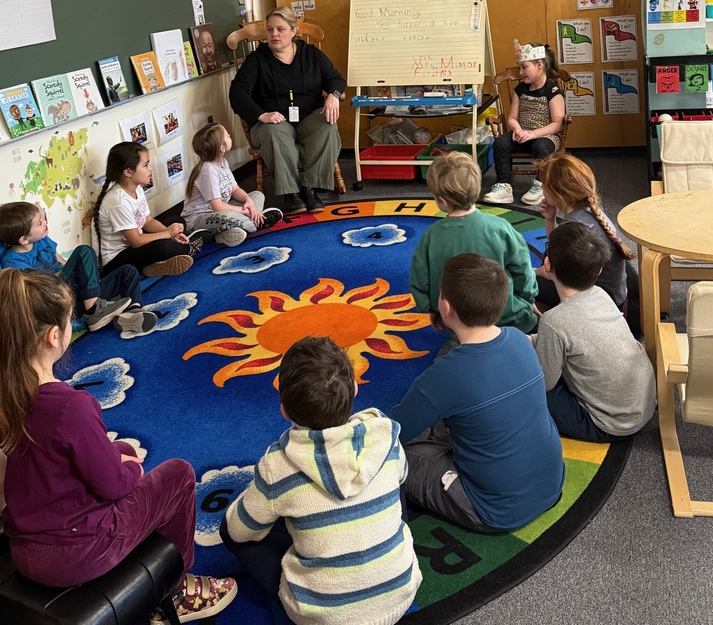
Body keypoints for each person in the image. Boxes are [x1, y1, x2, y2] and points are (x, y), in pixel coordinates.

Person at [0, 268, 237, 621]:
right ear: (54, 336)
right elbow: (114, 486)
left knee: (117, 453)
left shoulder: (8, 397)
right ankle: (177, 589)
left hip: (24, 550)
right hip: (80, 553)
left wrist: (113, 453)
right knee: (178, 474)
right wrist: (128, 463)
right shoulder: (70, 406)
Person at [220, 336, 421, 625]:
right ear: (354, 389)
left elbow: (239, 532)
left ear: (284, 411)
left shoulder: (278, 465)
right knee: (392, 483)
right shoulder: (385, 435)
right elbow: (400, 477)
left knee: (231, 528)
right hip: (401, 595)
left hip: (324, 617)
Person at [391, 253, 564, 533]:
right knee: (454, 416)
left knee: (392, 455)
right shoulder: (521, 340)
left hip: (492, 509)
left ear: (445, 308)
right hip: (551, 483)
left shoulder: (446, 373)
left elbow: (392, 432)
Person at [531, 221, 656, 442]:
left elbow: (544, 383)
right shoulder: (600, 293)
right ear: (598, 269)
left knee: (528, 384)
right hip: (643, 404)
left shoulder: (553, 321)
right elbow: (581, 336)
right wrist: (534, 340)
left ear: (547, 265)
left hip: (607, 424)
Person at [229, 7, 346, 215]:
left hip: (308, 118)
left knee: (328, 125)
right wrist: (260, 115)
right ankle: (291, 193)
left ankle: (309, 187)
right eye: (270, 29)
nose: (274, 34)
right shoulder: (258, 59)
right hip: (274, 122)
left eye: (280, 29)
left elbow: (335, 78)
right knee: (274, 133)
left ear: (293, 31)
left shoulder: (310, 54)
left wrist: (333, 96)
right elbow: (237, 93)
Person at [411, 151, 538, 334]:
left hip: (459, 320)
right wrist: (529, 298)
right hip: (507, 315)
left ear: (441, 201)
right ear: (477, 188)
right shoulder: (501, 227)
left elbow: (420, 278)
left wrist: (431, 308)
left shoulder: (431, 235)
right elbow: (522, 269)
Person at [0, 201, 156, 335]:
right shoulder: (13, 261)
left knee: (128, 271)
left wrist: (83, 276)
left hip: (81, 293)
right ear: (24, 239)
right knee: (84, 251)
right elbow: (37, 292)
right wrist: (72, 272)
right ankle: (93, 311)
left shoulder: (41, 240)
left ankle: (133, 312)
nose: (45, 222)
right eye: (40, 223)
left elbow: (62, 262)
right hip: (59, 299)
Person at [534, 152, 633, 310]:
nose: (543, 192)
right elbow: (558, 245)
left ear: (557, 192)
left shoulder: (573, 226)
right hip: (616, 297)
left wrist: (534, 273)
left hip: (598, 304)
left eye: (544, 187)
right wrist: (550, 219)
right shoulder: (591, 211)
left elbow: (553, 272)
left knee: (526, 284)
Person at [94, 142, 200, 278]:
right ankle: (185, 248)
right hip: (115, 261)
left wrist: (172, 234)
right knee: (165, 246)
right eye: (145, 165)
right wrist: (167, 234)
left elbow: (147, 221)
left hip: (134, 246)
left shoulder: (136, 188)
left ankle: (155, 264)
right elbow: (136, 241)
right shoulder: (118, 201)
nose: (150, 169)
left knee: (178, 222)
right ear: (128, 172)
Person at [482, 39, 565, 207]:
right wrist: (518, 129)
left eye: (524, 67)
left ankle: (540, 185)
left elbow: (557, 123)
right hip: (521, 135)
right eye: (519, 67)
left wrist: (533, 134)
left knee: (541, 147)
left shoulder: (552, 90)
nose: (520, 72)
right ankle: (504, 186)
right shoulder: (520, 90)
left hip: (546, 136)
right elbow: (511, 118)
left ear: (539, 65)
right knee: (500, 143)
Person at [181, 123, 283, 247]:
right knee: (227, 216)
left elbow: (234, 189)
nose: (230, 135)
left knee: (258, 195)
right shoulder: (208, 170)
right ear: (222, 147)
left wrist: (248, 201)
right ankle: (258, 222)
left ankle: (225, 232)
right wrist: (244, 211)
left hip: (221, 209)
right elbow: (217, 207)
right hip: (199, 219)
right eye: (227, 135)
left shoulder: (223, 162)